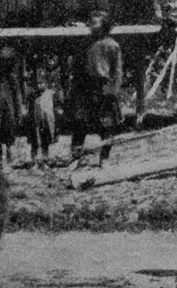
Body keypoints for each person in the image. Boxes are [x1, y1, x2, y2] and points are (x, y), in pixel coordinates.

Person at [69, 9, 123, 168]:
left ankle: (104, 158)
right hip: (85, 87)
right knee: (80, 123)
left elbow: (117, 71)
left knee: (107, 126)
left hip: (104, 88)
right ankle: (77, 158)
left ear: (105, 25)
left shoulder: (112, 46)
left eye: (96, 23)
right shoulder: (85, 44)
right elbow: (78, 67)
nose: (92, 26)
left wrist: (113, 91)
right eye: (90, 24)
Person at [28, 63, 60, 167]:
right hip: (35, 122)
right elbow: (30, 109)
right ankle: (33, 161)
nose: (39, 85)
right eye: (37, 83)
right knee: (35, 142)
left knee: (45, 141)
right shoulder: (33, 95)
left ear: (46, 83)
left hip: (47, 121)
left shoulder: (51, 93)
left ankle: (45, 160)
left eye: (41, 83)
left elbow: (56, 107)